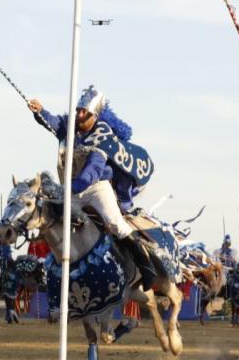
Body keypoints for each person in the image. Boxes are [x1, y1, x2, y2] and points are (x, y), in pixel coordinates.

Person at [27, 85, 158, 290]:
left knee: (115, 223)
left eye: (84, 112)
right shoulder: (72, 125)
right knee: (52, 215)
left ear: (94, 115)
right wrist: (40, 111)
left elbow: (92, 173)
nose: (79, 115)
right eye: (78, 110)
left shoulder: (103, 135)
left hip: (95, 187)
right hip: (72, 188)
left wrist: (66, 190)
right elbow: (54, 123)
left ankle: (146, 266)